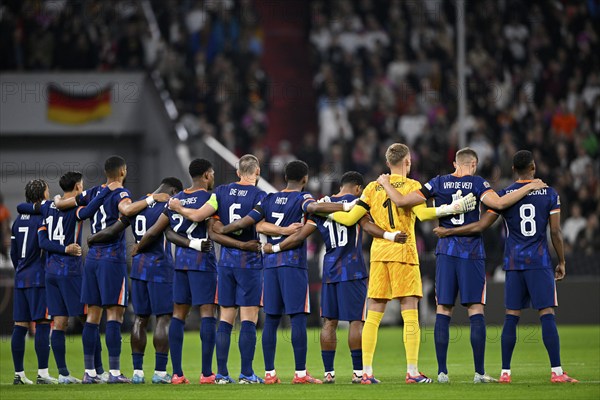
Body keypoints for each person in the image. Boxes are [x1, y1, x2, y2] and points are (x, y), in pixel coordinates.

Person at [377, 147, 547, 384]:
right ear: (474, 164)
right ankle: (479, 373)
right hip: (472, 253)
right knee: (475, 310)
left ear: (456, 164)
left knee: (443, 310)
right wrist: (528, 186)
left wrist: (385, 183)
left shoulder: (438, 182)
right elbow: (498, 204)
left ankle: (442, 373)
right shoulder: (478, 183)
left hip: (446, 252)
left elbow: (403, 201)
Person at [330, 143, 476, 384]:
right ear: (408, 162)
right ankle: (411, 371)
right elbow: (424, 215)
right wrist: (452, 208)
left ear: (388, 163)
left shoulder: (372, 187)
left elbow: (349, 218)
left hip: (378, 254)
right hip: (403, 252)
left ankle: (366, 372)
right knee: (409, 312)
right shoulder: (412, 186)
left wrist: (324, 210)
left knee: (373, 315)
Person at [433, 150, 579, 383]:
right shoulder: (549, 194)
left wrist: (448, 231)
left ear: (513, 170)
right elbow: (555, 231)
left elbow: (481, 225)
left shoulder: (504, 195)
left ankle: (505, 373)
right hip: (539, 261)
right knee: (546, 313)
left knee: (511, 316)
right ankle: (557, 372)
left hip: (512, 262)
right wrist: (561, 261)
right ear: (533, 167)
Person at [214, 160, 356, 384]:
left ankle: (269, 373)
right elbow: (315, 208)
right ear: (305, 179)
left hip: (269, 264)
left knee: (270, 318)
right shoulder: (303, 198)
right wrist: (346, 206)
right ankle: (300, 373)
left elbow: (258, 225)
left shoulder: (269, 198)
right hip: (292, 264)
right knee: (297, 317)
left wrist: (227, 229)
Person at [262, 171, 408, 384]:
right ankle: (358, 373)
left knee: (329, 321)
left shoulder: (323, 204)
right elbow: (367, 227)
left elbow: (301, 235)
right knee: (355, 321)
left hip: (329, 270)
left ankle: (328, 372)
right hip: (353, 269)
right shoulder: (358, 202)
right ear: (357, 187)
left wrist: (275, 247)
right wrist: (390, 235)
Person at [55, 155, 170, 384]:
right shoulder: (121, 193)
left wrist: (57, 200)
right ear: (123, 171)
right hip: (111, 260)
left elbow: (65, 204)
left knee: (92, 318)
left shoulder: (94, 192)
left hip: (92, 261)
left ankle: (90, 373)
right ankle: (115, 373)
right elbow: (127, 210)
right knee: (115, 315)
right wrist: (151, 199)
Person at [168, 154, 270, 384]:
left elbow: (198, 217)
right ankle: (246, 373)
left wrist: (179, 207)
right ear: (258, 172)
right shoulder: (260, 196)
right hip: (249, 262)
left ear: (237, 172)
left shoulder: (220, 193)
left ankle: (221, 374)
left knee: (225, 317)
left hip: (225, 263)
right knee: (248, 318)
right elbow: (250, 223)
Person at [17, 171, 115, 384]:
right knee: (89, 319)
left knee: (59, 322)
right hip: (70, 270)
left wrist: (57, 201)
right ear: (78, 186)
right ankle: (96, 371)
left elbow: (22, 207)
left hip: (50, 272)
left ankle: (63, 374)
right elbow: (91, 208)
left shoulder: (46, 207)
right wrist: (105, 191)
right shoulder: (77, 209)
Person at [87, 177, 185, 384]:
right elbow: (160, 233)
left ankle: (138, 372)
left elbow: (114, 229)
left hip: (138, 269)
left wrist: (93, 238)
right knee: (163, 318)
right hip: (160, 268)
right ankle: (159, 372)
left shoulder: (139, 204)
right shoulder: (168, 205)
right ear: (174, 190)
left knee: (140, 318)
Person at [136, 159, 218, 385]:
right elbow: (201, 217)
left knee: (178, 315)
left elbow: (156, 230)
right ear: (207, 175)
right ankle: (206, 373)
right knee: (207, 313)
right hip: (203, 261)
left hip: (179, 263)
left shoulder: (175, 199)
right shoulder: (211, 197)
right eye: (212, 174)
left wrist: (138, 246)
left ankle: (177, 374)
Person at [11, 180, 64, 384]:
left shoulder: (18, 220)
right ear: (43, 194)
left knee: (20, 325)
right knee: (43, 323)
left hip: (21, 278)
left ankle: (19, 374)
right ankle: (42, 373)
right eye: (48, 191)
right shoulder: (43, 217)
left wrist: (21, 269)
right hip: (39, 278)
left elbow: (13, 253)